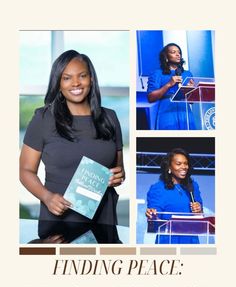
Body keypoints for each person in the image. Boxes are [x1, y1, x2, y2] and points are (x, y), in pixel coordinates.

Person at [20, 50, 125, 238]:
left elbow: (118, 169)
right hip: (59, 222)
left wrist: (118, 176)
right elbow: (25, 171)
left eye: (82, 76)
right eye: (67, 78)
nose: (76, 83)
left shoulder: (110, 117)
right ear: (58, 84)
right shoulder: (43, 119)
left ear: (91, 79)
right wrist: (47, 197)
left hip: (104, 222)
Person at [146, 148, 203, 243]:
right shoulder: (158, 188)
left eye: (186, 163)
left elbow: (200, 216)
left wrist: (199, 209)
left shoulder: (193, 186)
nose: (184, 167)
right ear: (169, 167)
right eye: (179, 164)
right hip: (169, 241)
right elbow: (155, 216)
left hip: (191, 241)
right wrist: (152, 215)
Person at [147, 43, 195, 130]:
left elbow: (192, 101)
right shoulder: (157, 74)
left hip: (185, 112)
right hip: (167, 112)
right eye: (173, 52)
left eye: (179, 52)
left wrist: (191, 90)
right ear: (166, 56)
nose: (178, 54)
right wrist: (169, 84)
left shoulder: (187, 74)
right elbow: (151, 97)